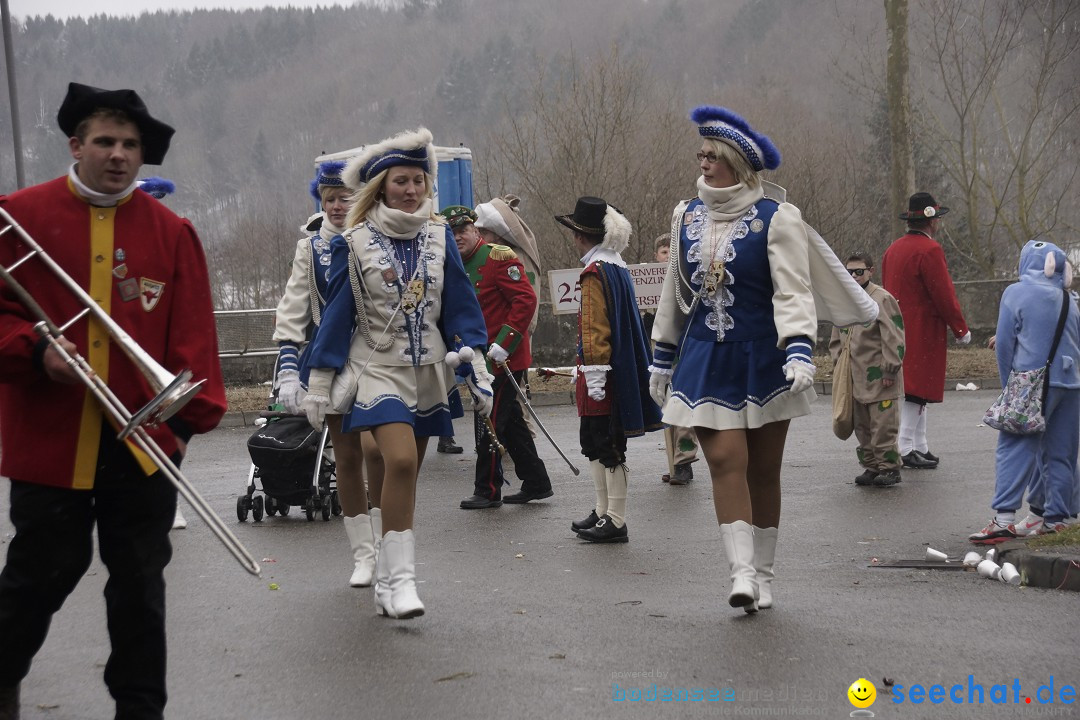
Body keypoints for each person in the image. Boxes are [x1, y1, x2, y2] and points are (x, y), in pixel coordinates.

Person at [0, 82, 227, 719]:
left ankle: (140, 709)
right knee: (36, 578)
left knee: (139, 591)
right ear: (76, 145)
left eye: (130, 144)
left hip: (144, 446)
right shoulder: (15, 217)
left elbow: (194, 340)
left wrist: (182, 428)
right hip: (51, 443)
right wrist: (34, 351)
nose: (120, 154)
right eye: (105, 141)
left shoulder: (172, 231)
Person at [649, 106, 875, 613]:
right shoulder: (685, 216)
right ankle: (741, 574)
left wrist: (799, 348)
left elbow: (793, 291)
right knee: (725, 460)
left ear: (737, 163)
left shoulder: (777, 218)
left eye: (713, 156)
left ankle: (766, 575)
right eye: (701, 154)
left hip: (764, 358)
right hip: (704, 357)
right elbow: (674, 291)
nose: (703, 163)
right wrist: (661, 356)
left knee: (764, 471)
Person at [299, 128, 490, 619]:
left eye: (418, 181)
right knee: (399, 461)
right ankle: (403, 581)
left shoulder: (438, 236)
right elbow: (338, 315)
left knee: (405, 472)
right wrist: (319, 380)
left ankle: (387, 576)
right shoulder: (354, 240)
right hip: (376, 369)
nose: (410, 189)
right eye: (400, 181)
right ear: (381, 186)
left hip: (428, 371)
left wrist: (474, 356)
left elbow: (460, 307)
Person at [272, 161, 385, 588]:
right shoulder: (310, 248)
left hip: (378, 360)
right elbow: (294, 307)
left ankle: (385, 540)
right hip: (331, 364)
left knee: (379, 452)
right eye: (330, 199)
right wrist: (287, 365)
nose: (338, 206)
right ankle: (363, 555)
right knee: (349, 457)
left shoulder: (377, 238)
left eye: (346, 198)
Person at [559, 197, 663, 543]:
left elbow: (594, 328)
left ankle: (615, 518)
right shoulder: (616, 266)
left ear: (580, 236)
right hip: (608, 366)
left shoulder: (595, 272)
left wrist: (593, 370)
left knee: (606, 443)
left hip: (601, 369)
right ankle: (603, 510)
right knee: (595, 440)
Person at [970, 239, 1080, 543]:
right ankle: (1056, 518)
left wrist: (1010, 388)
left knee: (1014, 446)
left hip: (1034, 380)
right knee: (1061, 453)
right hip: (1071, 385)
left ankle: (1004, 518)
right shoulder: (1070, 297)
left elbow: (1005, 344)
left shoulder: (1016, 292)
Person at [445, 205, 554, 509]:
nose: (458, 238)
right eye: (451, 234)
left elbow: (525, 298)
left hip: (503, 357)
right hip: (476, 358)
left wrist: (505, 343)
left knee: (490, 421)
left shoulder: (497, 257)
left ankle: (488, 489)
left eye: (462, 231)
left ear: (475, 231)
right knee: (511, 423)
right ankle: (536, 482)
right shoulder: (451, 264)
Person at [881, 192, 971, 470]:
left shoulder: (893, 248)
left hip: (896, 327)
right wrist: (960, 328)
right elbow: (943, 294)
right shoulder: (930, 250)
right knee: (917, 389)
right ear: (931, 222)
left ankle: (919, 444)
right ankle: (905, 446)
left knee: (914, 387)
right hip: (923, 329)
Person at [829, 253, 905, 487]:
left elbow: (894, 335)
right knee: (861, 425)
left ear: (870, 271)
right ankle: (871, 466)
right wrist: (838, 362)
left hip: (879, 375)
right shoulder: (845, 299)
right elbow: (837, 336)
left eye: (859, 272)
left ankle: (889, 467)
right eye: (849, 272)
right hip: (854, 375)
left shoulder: (881, 299)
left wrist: (890, 369)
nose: (854, 276)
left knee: (883, 425)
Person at [644, 233, 699, 485]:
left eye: (671, 252)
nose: (667, 256)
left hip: (685, 349)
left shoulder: (686, 278)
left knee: (684, 406)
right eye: (663, 252)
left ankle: (685, 462)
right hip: (661, 353)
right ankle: (674, 462)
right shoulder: (648, 283)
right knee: (667, 408)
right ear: (656, 256)